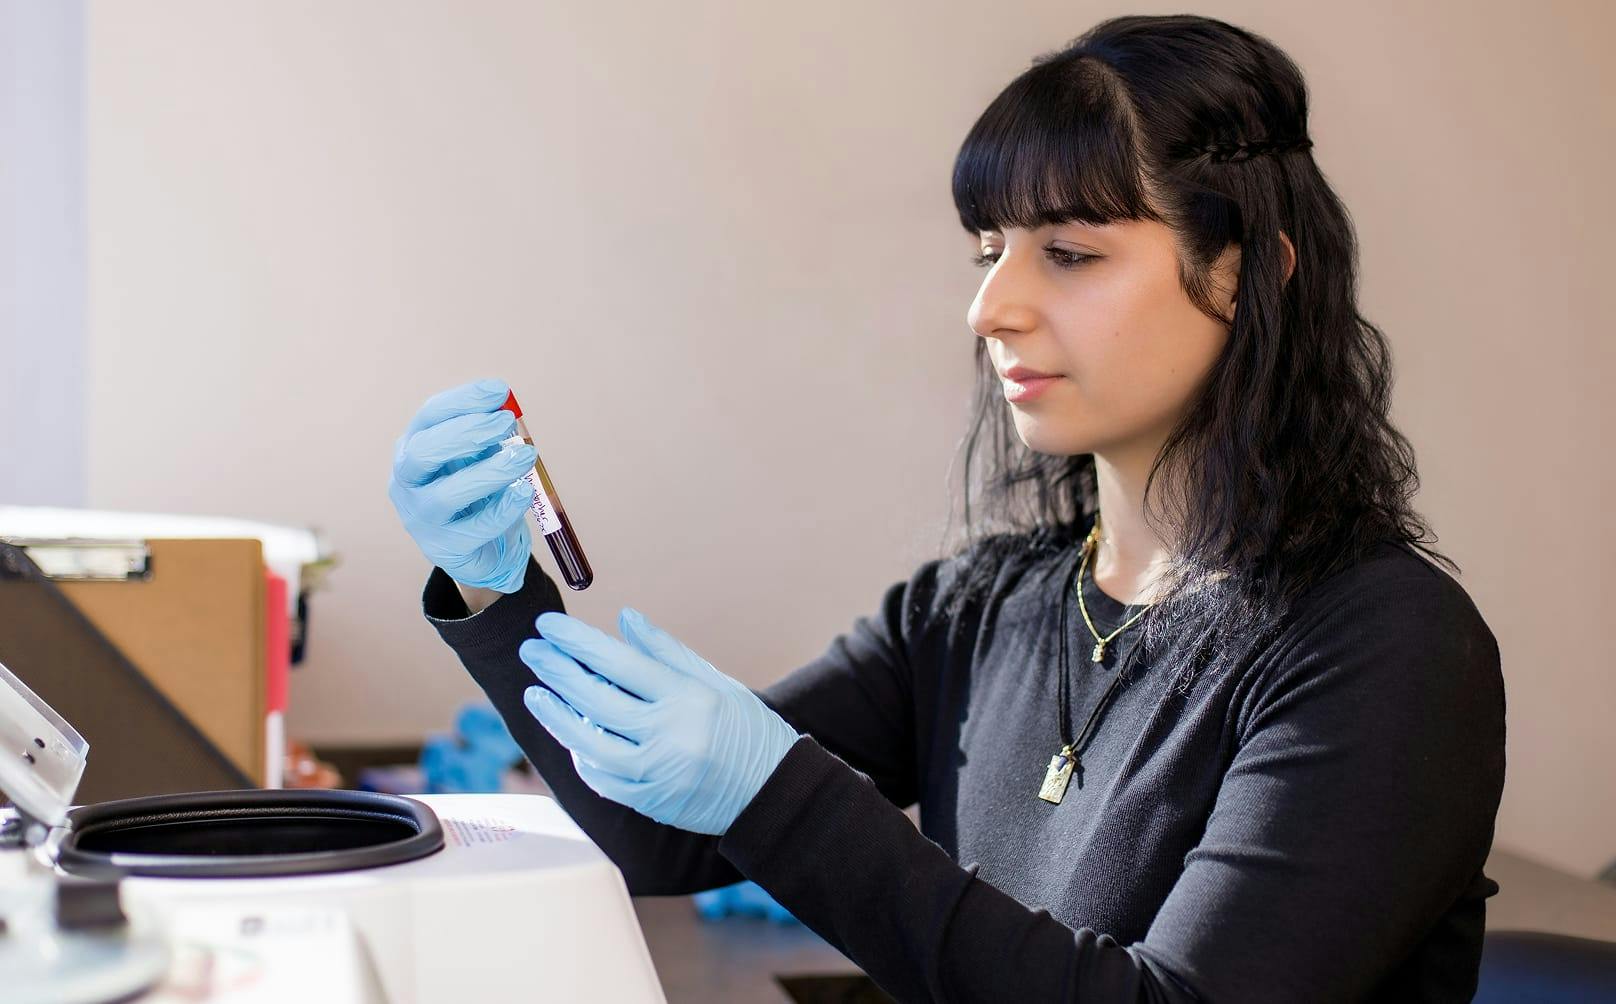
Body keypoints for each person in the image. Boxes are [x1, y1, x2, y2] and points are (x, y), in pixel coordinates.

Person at [387, 14, 1505, 1002]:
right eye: (987, 250)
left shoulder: (1383, 646)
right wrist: (496, 586)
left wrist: (778, 784)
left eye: (1067, 252)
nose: (989, 306)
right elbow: (657, 832)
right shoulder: (976, 606)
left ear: (1241, 272)